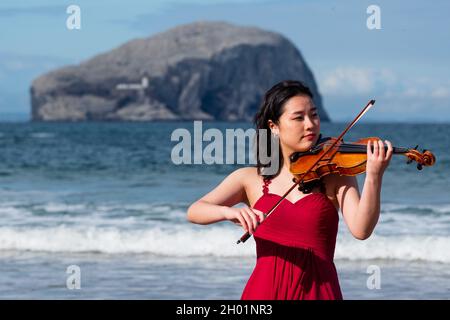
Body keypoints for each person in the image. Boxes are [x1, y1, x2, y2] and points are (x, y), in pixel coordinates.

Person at [186, 80, 393, 300]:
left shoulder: (335, 174)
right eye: (298, 117)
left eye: (314, 115)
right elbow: (195, 211)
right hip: (264, 293)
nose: (310, 124)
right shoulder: (249, 178)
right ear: (274, 127)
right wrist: (229, 212)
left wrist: (374, 175)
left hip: (319, 292)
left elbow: (361, 230)